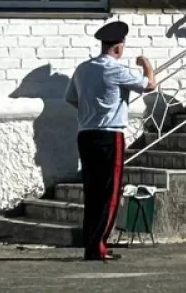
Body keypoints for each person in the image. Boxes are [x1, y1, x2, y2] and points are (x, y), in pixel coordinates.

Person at [65, 20, 156, 262]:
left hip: (86, 133)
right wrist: (146, 64)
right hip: (109, 134)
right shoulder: (115, 69)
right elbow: (149, 85)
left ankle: (91, 243)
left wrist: (92, 111)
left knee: (92, 191)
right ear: (118, 47)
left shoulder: (83, 69)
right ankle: (99, 245)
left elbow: (71, 98)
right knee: (110, 192)